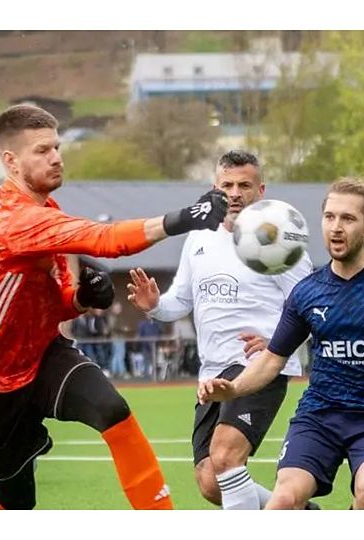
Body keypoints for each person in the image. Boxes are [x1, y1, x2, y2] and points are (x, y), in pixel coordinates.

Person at [0, 104, 228, 510]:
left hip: (41, 355)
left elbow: (55, 303)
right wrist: (185, 218)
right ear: (10, 161)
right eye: (41, 150)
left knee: (111, 409)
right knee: (17, 501)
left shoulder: (47, 214)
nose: (56, 157)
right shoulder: (16, 221)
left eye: (57, 147)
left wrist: (80, 300)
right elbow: (107, 239)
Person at [199, 177, 364, 510]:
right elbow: (273, 359)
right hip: (320, 415)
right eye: (329, 217)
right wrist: (233, 390)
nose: (336, 227)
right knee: (284, 500)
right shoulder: (307, 292)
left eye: (348, 219)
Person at [126, 150, 314, 510]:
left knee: (226, 457)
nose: (235, 193)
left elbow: (313, 306)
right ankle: (299, 513)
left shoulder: (279, 240)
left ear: (261, 191)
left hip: (258, 367)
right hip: (211, 371)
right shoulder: (198, 238)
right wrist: (154, 306)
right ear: (215, 188)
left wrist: (280, 341)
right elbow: (179, 303)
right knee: (212, 482)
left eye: (244, 185)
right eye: (227, 185)